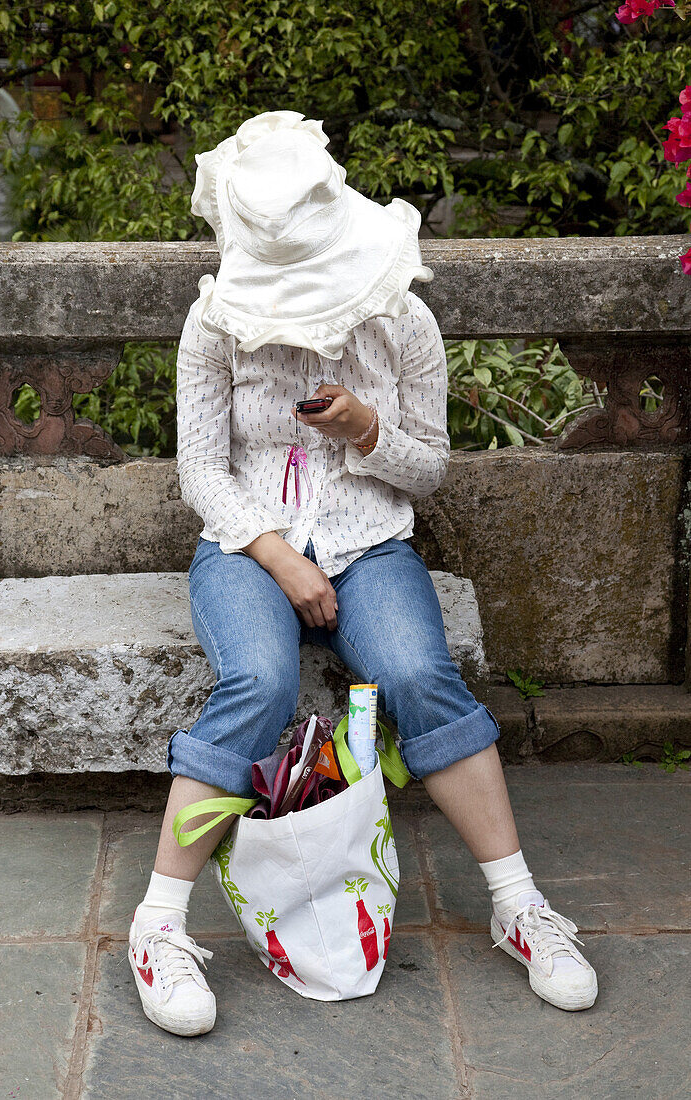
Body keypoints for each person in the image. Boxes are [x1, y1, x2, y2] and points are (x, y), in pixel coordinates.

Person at [128, 111, 598, 1036]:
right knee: (257, 682)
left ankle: (520, 907)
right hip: (246, 546)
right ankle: (159, 926)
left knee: (422, 673)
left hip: (371, 542)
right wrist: (279, 560)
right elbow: (201, 472)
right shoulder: (213, 322)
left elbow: (430, 468)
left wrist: (366, 434)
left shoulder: (402, 317)